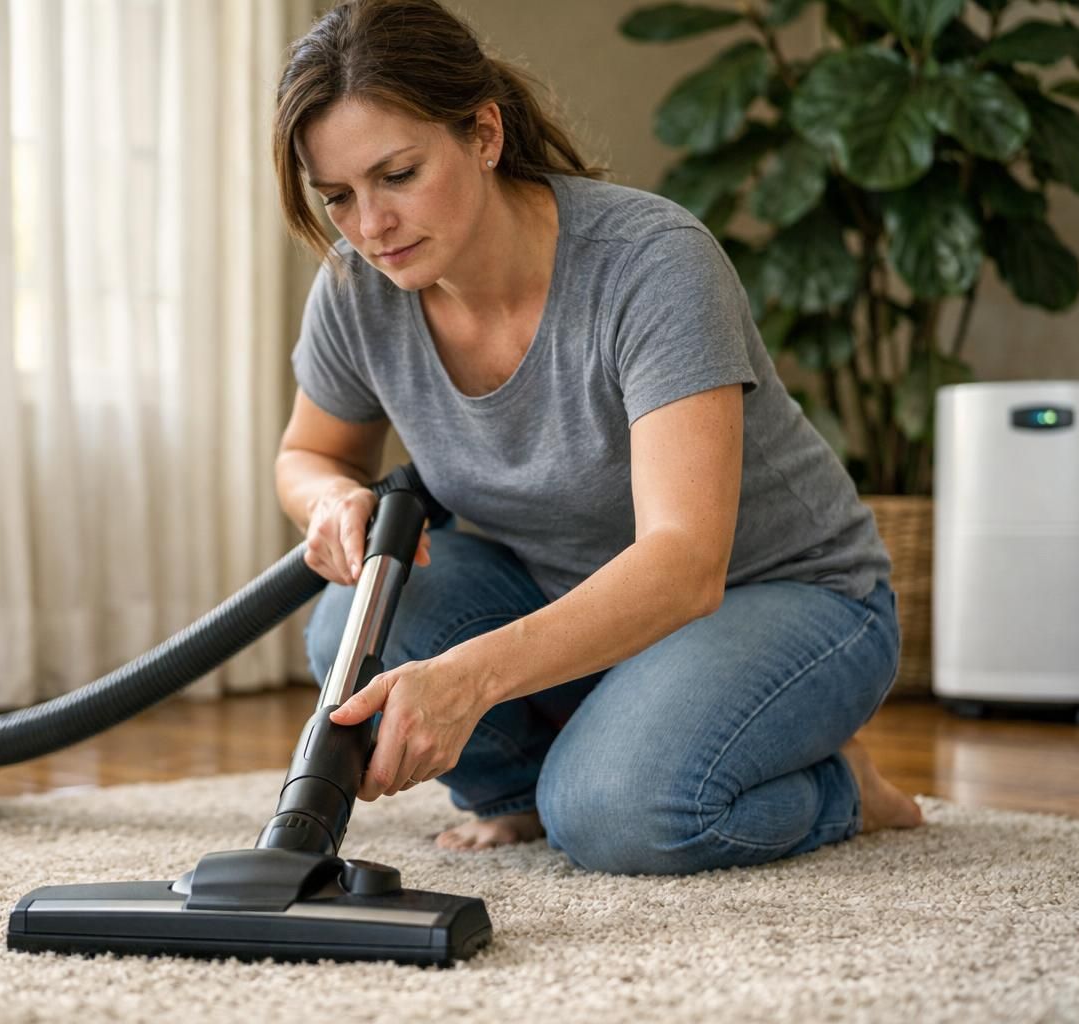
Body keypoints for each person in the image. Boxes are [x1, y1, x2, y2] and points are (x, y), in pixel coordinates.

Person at [270, 0, 923, 876]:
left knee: (620, 816)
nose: (370, 226)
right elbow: (308, 456)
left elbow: (686, 562)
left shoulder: (649, 264)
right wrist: (333, 502)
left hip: (780, 597)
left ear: (485, 134)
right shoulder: (359, 291)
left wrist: (473, 677)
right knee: (352, 620)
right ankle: (529, 792)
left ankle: (843, 788)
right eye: (338, 197)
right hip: (567, 603)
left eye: (399, 174)